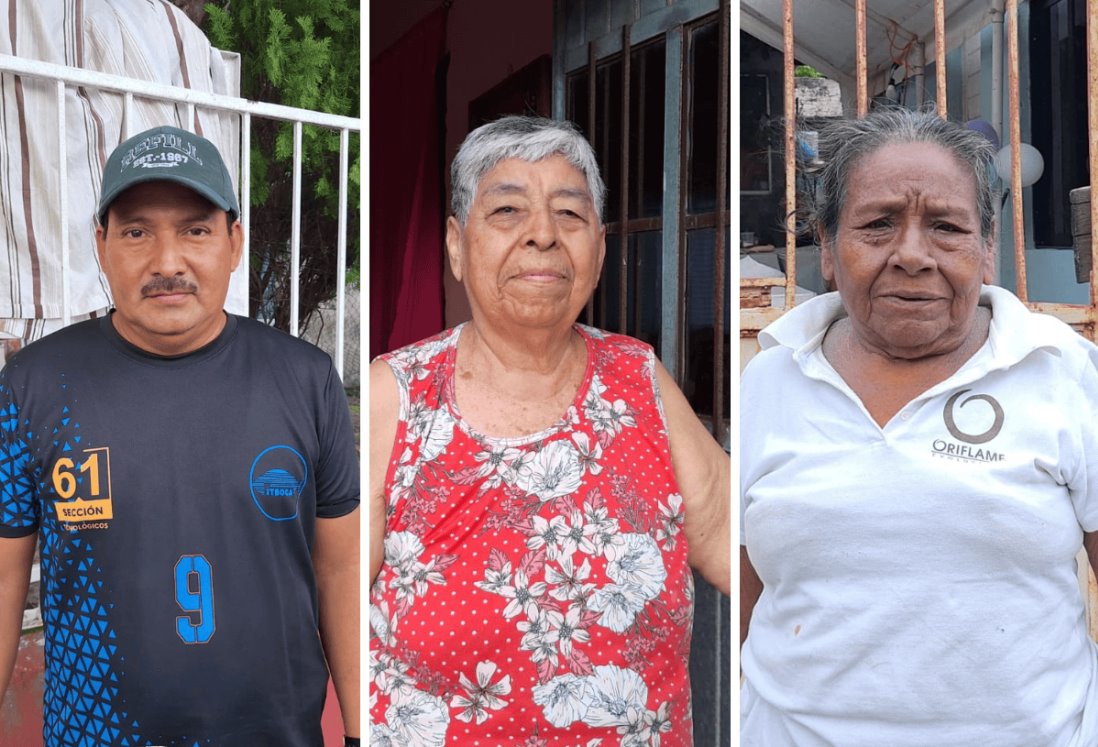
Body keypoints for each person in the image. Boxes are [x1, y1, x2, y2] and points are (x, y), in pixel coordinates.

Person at [740, 107, 1098, 745]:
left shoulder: (1061, 370)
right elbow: (745, 604)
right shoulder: (769, 382)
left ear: (986, 249)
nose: (912, 255)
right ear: (826, 247)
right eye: (877, 225)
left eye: (946, 227)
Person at [369, 115, 730, 744]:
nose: (542, 235)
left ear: (600, 247)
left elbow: (738, 535)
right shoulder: (397, 396)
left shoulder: (638, 378)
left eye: (569, 214)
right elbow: (326, 596)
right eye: (508, 210)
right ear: (456, 245)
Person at [0, 125, 360, 746]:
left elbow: (341, 572)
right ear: (102, 244)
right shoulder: (32, 387)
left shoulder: (306, 380)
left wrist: (361, 731)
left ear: (234, 242)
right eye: (137, 231)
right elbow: (5, 580)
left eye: (195, 229)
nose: (167, 262)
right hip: (97, 733)